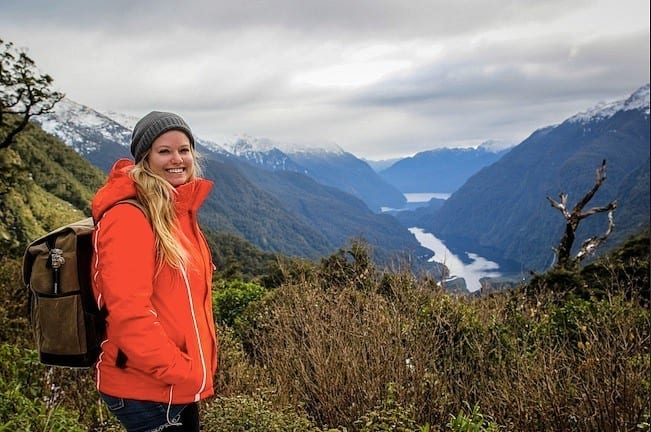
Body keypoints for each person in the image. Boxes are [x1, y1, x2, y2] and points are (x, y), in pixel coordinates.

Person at [90, 111, 218, 431]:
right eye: (164, 151)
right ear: (145, 158)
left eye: (184, 149)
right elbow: (127, 312)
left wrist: (190, 371)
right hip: (147, 388)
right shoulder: (128, 218)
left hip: (173, 385)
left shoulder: (178, 212)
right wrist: (178, 369)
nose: (177, 159)